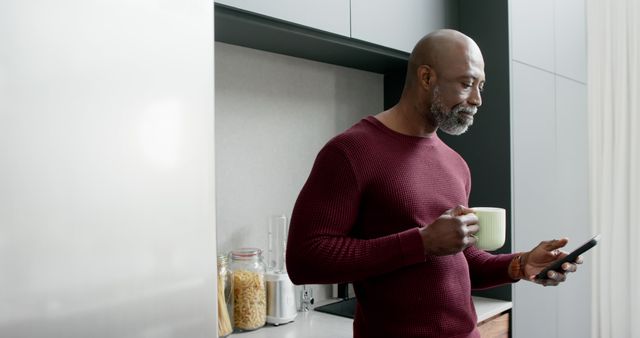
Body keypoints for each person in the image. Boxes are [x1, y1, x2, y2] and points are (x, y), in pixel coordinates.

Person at [285, 29, 582, 338]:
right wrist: (422, 242)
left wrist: (520, 264)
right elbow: (305, 259)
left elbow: (459, 259)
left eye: (480, 87)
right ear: (426, 77)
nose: (477, 100)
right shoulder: (350, 152)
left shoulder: (456, 164)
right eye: (467, 84)